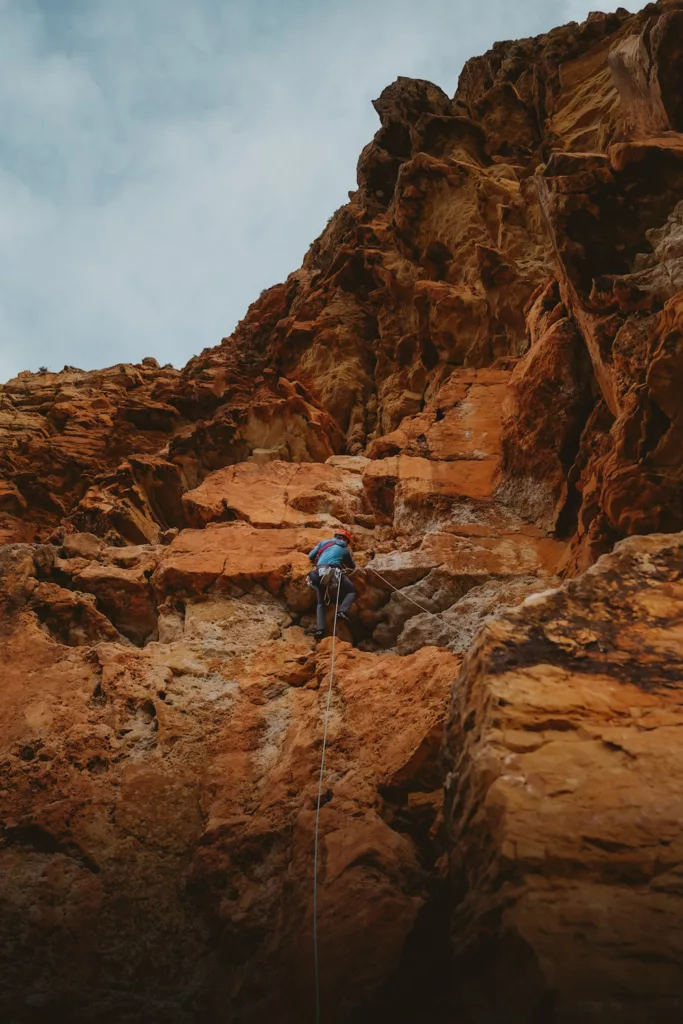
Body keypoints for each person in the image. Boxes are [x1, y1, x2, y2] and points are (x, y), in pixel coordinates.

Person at [307, 529, 357, 640]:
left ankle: (320, 630)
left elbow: (310, 556)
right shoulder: (344, 548)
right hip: (333, 570)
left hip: (317, 572)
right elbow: (352, 566)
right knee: (351, 591)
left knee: (320, 603)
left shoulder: (323, 543)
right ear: (344, 539)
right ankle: (341, 611)